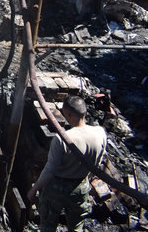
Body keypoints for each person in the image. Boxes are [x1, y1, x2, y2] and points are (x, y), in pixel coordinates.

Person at [27, 95, 107, 232]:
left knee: (48, 226)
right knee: (76, 226)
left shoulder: (61, 139)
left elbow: (50, 170)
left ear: (68, 114)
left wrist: (34, 189)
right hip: (81, 186)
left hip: (57, 188)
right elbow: (98, 162)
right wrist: (87, 177)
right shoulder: (100, 133)